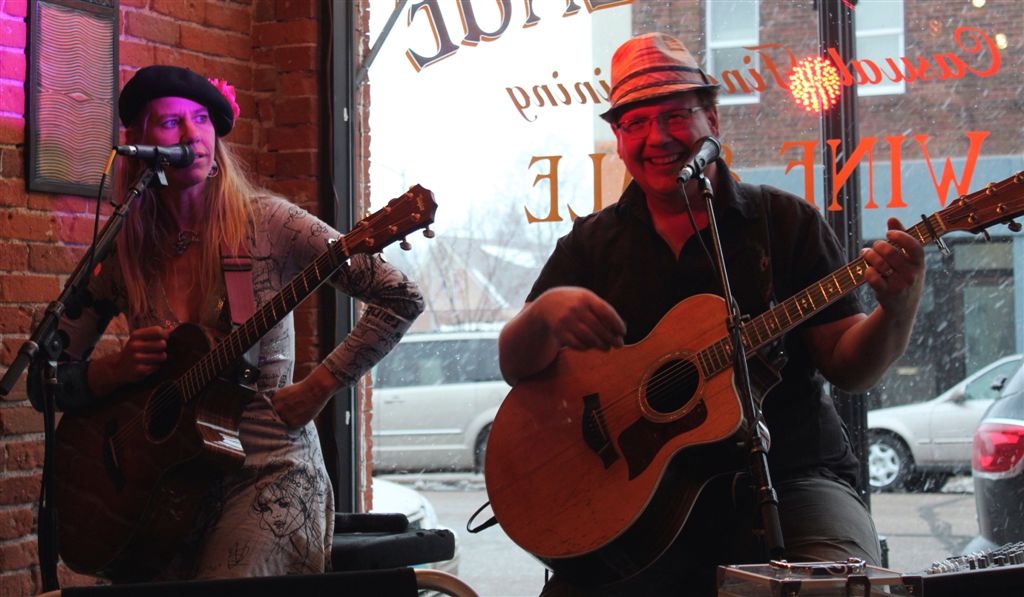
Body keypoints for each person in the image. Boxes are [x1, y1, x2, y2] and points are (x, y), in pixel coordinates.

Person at [498, 33, 925, 595]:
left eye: (676, 115)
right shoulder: (592, 245)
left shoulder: (785, 222)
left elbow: (850, 368)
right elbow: (515, 365)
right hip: (643, 493)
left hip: (794, 475)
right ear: (619, 140)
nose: (658, 137)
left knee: (835, 589)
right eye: (636, 122)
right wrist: (543, 315)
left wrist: (898, 309)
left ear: (712, 122)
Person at [32, 65, 425, 580]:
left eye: (201, 119)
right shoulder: (125, 250)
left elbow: (400, 295)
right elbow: (45, 377)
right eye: (170, 122)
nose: (192, 134)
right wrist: (113, 371)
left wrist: (319, 387)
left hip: (268, 473)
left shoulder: (271, 224)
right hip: (164, 489)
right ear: (141, 145)